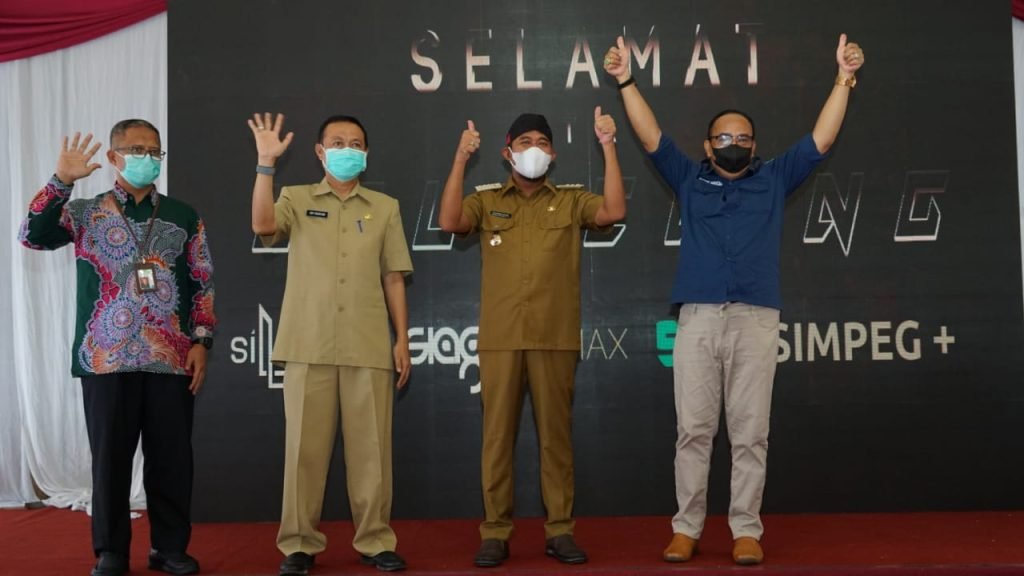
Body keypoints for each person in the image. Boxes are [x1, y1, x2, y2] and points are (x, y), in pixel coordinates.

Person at [603, 34, 865, 565]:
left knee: (750, 433)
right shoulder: (688, 178)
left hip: (755, 317)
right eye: (723, 136)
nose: (733, 143)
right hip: (698, 318)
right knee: (693, 431)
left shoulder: (773, 179)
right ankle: (687, 528)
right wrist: (626, 79)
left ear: (754, 144)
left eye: (743, 137)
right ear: (707, 146)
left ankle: (746, 530)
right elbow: (651, 137)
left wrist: (843, 78)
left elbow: (820, 139)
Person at [19, 119, 216, 576]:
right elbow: (32, 235)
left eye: (154, 151)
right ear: (113, 157)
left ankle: (169, 548)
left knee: (172, 461)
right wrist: (61, 181)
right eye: (136, 150)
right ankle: (111, 551)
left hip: (171, 359)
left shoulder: (183, 215)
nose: (147, 158)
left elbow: (202, 281)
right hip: (105, 359)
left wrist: (202, 340)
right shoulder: (85, 212)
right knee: (110, 462)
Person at [438, 110, 626, 567]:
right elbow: (450, 221)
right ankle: (495, 533)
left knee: (555, 441)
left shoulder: (570, 200)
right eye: (524, 142)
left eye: (542, 142)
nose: (534, 150)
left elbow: (614, 211)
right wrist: (460, 159)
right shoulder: (487, 202)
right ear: (507, 153)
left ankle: (559, 530)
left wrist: (608, 146)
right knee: (497, 439)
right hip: (500, 338)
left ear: (553, 154)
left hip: (554, 337)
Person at [249, 112, 413, 575]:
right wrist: (265, 164)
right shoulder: (296, 197)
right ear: (320, 152)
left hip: (368, 343)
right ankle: (299, 543)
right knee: (304, 452)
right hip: (308, 342)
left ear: (367, 152)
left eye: (355, 143)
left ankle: (375, 539)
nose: (347, 149)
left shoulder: (385, 207)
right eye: (337, 142)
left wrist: (401, 338)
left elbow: (393, 276)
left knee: (372, 453)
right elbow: (263, 225)